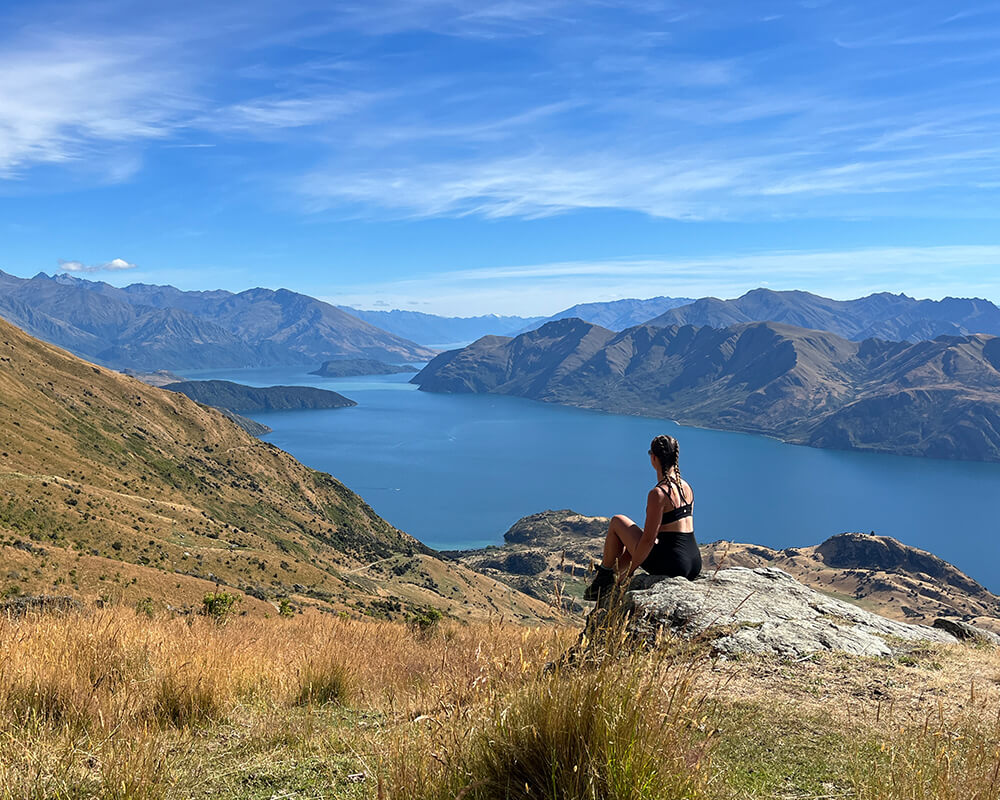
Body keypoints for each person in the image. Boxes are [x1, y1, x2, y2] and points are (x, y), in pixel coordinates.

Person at [583, 434, 701, 601]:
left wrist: (630, 573)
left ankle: (603, 580)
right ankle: (611, 575)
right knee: (636, 539)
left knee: (618, 521)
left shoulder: (658, 493)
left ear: (653, 458)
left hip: (673, 565)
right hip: (694, 562)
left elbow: (648, 540)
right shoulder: (686, 487)